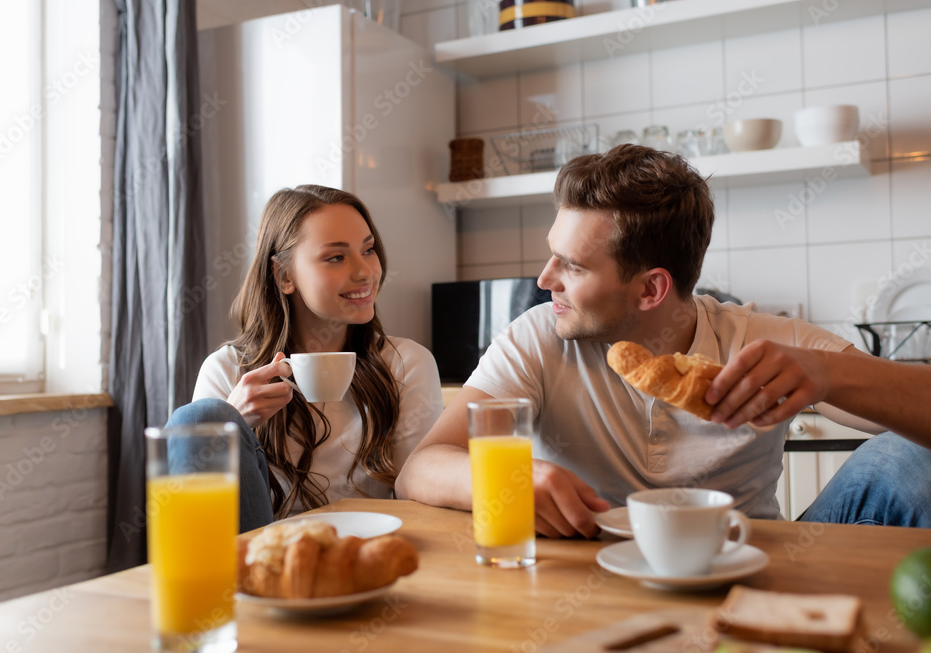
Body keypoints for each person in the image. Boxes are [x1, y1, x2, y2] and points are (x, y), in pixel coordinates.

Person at [396, 145, 931, 537]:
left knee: (909, 460)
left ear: (651, 288)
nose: (544, 279)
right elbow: (420, 469)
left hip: (746, 559)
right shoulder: (538, 338)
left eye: (573, 266)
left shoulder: (762, 341)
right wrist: (505, 481)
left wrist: (828, 372)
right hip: (586, 564)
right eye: (551, 253)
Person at [169, 185, 443, 532]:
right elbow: (197, 512)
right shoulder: (227, 370)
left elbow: (418, 498)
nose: (365, 272)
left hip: (366, 549)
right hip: (262, 555)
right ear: (285, 277)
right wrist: (236, 423)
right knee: (204, 419)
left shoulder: (407, 363)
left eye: (368, 250)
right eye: (336, 257)